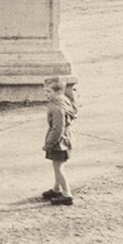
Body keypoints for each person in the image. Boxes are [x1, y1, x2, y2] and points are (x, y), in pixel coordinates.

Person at [41, 77, 78, 206]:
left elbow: (57, 129)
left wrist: (48, 144)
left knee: (58, 168)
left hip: (59, 142)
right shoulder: (64, 101)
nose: (46, 94)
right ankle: (56, 189)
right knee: (57, 165)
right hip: (66, 138)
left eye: (48, 92)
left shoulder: (57, 108)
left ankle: (67, 194)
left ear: (58, 92)